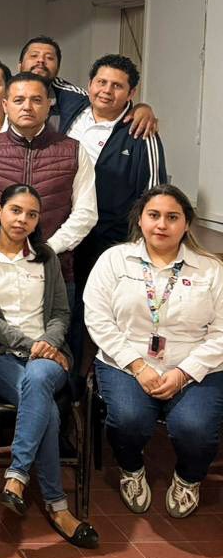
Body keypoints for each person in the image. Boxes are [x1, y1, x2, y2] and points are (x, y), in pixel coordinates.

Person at [0, 184, 99, 548]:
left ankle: (18, 474)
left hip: (50, 357)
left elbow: (60, 314)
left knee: (39, 377)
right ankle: (58, 507)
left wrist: (48, 344)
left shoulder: (46, 257)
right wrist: (31, 345)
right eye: (15, 210)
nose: (22, 220)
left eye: (31, 214)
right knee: (47, 411)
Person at [84, 185, 223, 519]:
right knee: (128, 420)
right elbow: (97, 318)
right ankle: (131, 469)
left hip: (195, 366)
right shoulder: (114, 260)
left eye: (172, 217)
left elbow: (221, 332)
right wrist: (137, 365)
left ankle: (188, 478)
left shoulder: (210, 269)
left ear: (186, 224)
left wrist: (184, 372)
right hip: (125, 361)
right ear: (140, 220)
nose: (162, 224)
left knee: (195, 429)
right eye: (154, 215)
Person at [0, 72, 97, 287]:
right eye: (19, 100)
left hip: (54, 267)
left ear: (48, 105)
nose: (27, 107)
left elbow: (86, 211)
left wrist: (48, 248)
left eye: (36, 100)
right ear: (5, 105)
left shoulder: (74, 150)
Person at [63, 54, 167, 276]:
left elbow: (155, 193)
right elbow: (40, 77)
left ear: (131, 93)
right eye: (101, 82)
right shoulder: (73, 107)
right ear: (90, 84)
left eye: (117, 86)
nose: (107, 90)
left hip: (108, 239)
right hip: (63, 230)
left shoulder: (141, 132)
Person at [19, 35, 156, 138]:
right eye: (34, 55)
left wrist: (142, 109)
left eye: (49, 58)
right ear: (19, 65)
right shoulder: (6, 87)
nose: (41, 61)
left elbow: (104, 102)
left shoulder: (72, 97)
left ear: (58, 68)